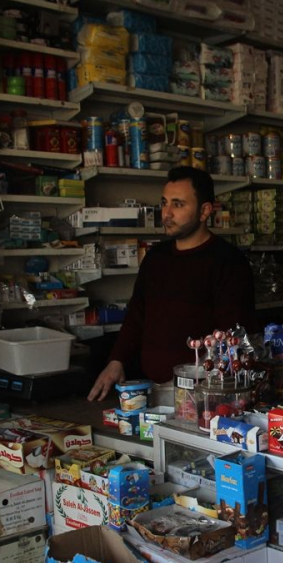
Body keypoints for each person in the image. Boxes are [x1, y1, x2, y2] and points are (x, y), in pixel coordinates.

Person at [88, 166, 257, 400]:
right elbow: (136, 316)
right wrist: (116, 361)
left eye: (178, 204)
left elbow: (231, 338)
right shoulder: (156, 258)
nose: (166, 213)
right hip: (149, 390)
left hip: (202, 394)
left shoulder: (228, 262)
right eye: (164, 203)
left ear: (204, 211)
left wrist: (203, 385)